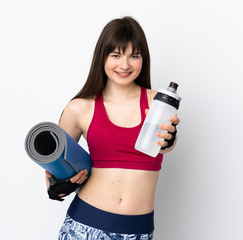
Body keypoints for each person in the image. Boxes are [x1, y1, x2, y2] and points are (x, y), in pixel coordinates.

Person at [45, 16, 180, 239]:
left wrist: (170, 139)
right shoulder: (80, 108)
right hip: (83, 227)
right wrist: (56, 186)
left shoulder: (160, 103)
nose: (124, 65)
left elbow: (166, 143)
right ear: (102, 57)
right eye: (115, 55)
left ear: (143, 59)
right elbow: (54, 166)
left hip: (137, 232)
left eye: (133, 56)